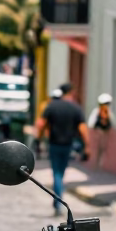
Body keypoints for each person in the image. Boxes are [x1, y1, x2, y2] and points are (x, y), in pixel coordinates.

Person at [37, 82, 89, 215]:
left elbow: (41, 123)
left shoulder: (51, 106)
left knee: (56, 173)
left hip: (54, 144)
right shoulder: (75, 108)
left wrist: (38, 138)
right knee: (61, 172)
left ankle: (57, 202)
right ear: (70, 93)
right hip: (67, 145)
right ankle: (58, 200)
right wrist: (87, 146)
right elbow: (82, 129)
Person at [88, 93, 114, 169]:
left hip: (105, 132)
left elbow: (111, 121)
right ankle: (97, 164)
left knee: (104, 148)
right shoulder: (98, 111)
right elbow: (92, 122)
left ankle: (101, 164)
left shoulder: (107, 112)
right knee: (98, 149)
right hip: (99, 131)